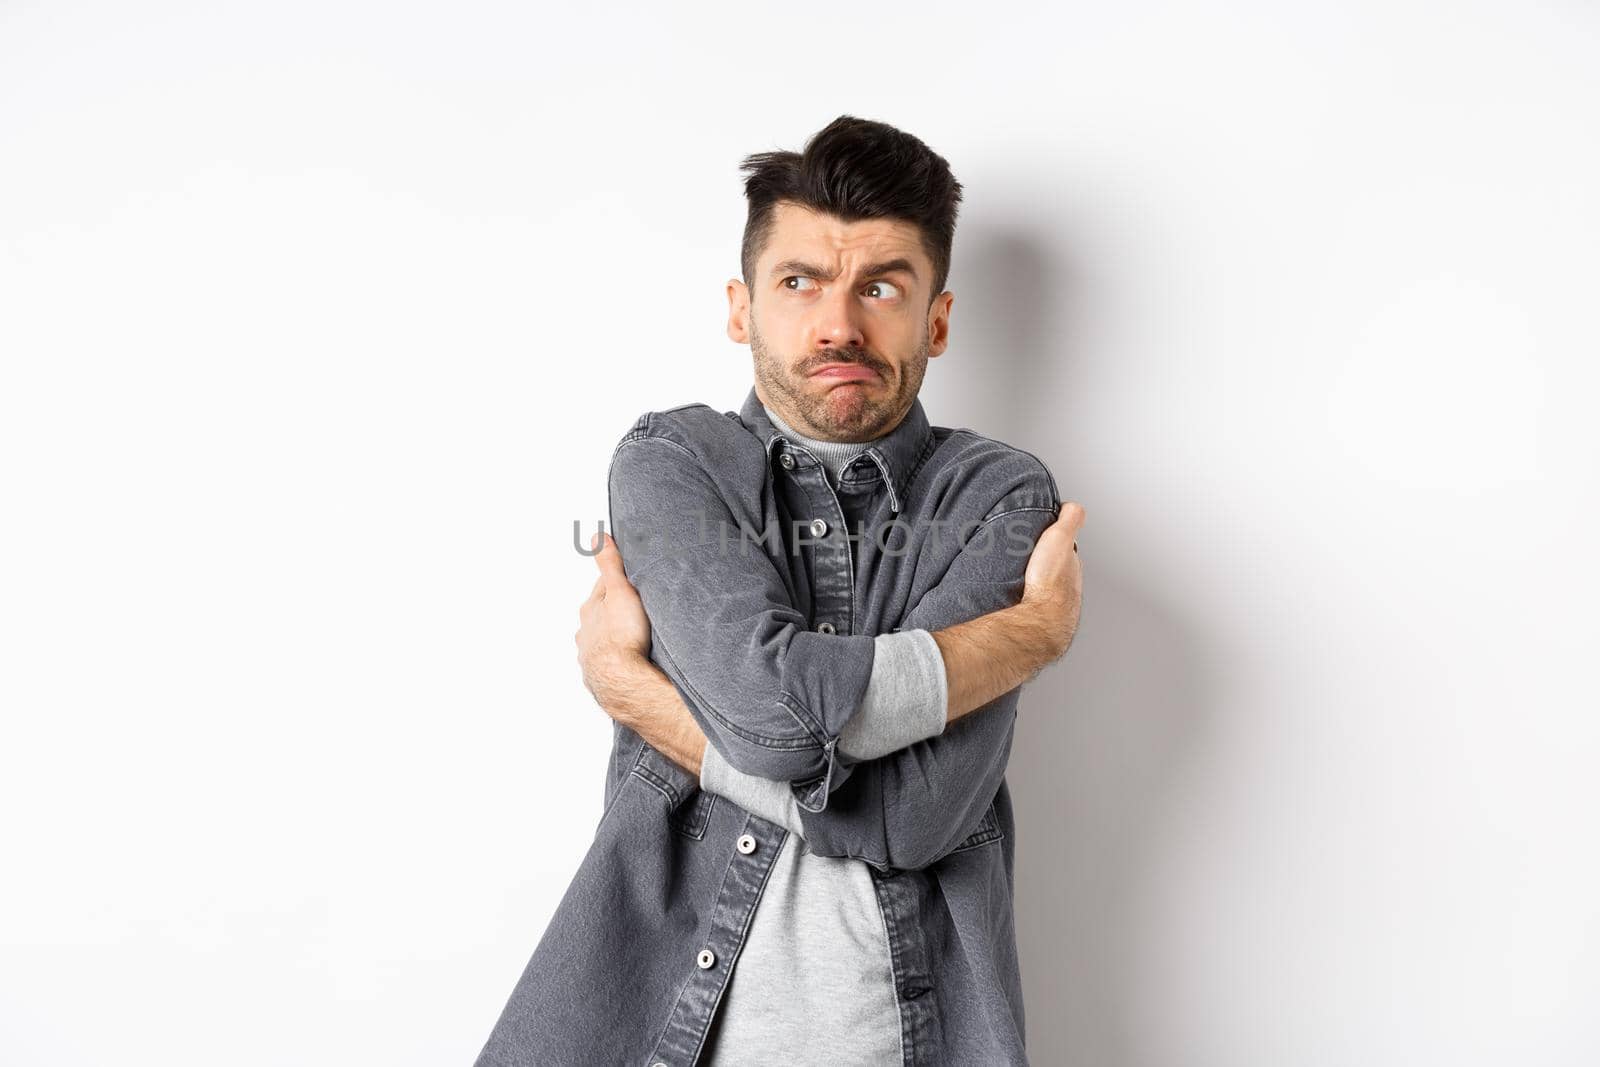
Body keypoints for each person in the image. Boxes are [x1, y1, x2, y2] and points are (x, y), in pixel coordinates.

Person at [475, 114, 1086, 1067]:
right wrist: (1028, 636)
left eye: (881, 286)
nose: (838, 323)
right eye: (799, 281)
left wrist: (656, 710)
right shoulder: (673, 462)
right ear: (740, 307)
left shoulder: (997, 495)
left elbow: (911, 817)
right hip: (648, 1032)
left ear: (937, 320)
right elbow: (774, 721)